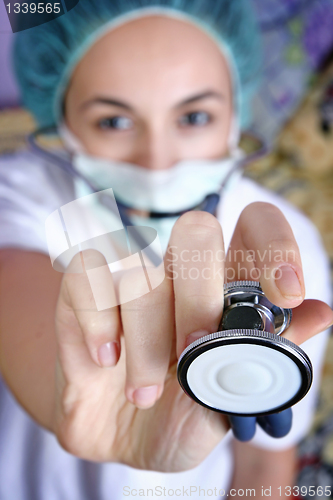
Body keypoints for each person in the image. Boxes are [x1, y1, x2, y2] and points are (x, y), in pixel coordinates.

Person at [0, 1, 332, 499]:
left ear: (235, 114)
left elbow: (264, 462)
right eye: (113, 122)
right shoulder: (23, 193)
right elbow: (26, 325)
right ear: (62, 119)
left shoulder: (282, 243)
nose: (158, 160)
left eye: (195, 116)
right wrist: (71, 405)